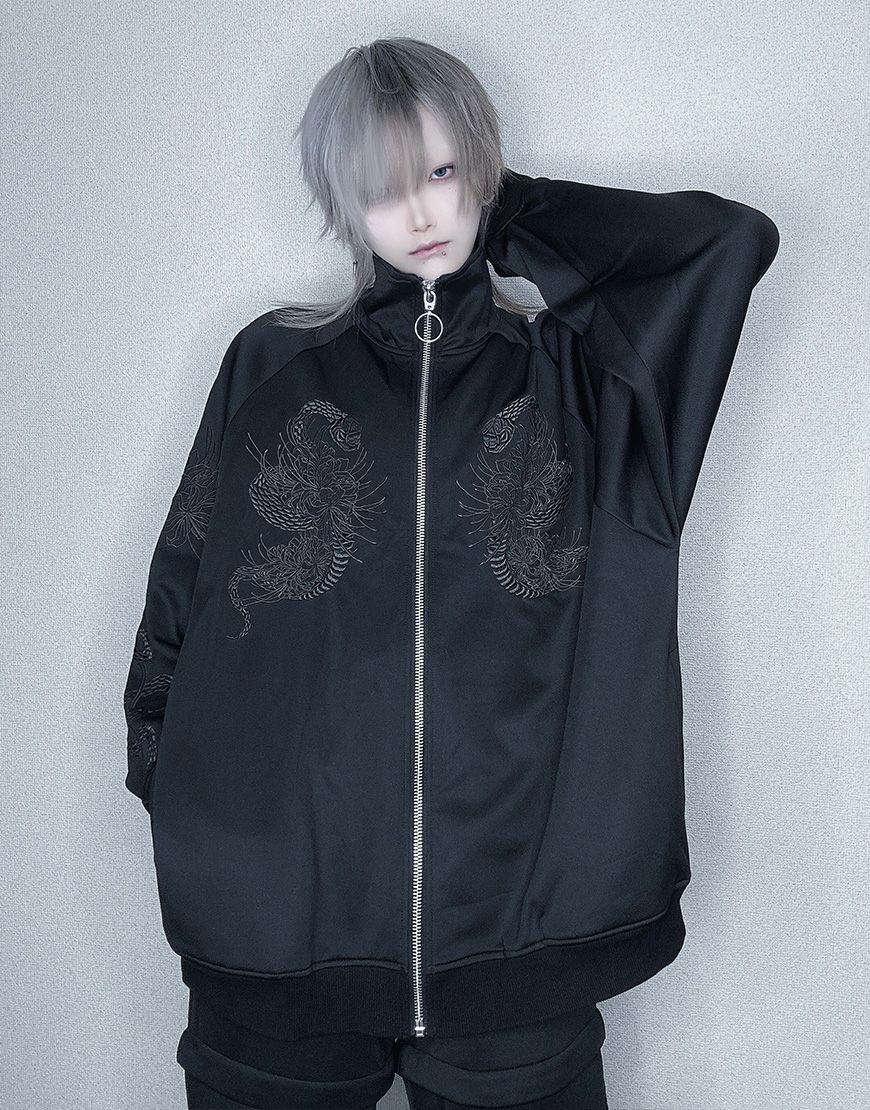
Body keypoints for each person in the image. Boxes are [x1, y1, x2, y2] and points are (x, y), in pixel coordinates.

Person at [123, 37, 779, 1110]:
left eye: (440, 171)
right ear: (341, 201)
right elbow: (182, 595)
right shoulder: (273, 364)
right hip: (279, 937)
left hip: (520, 947)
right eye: (382, 185)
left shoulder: (592, 383)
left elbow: (726, 243)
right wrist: (182, 796)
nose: (421, 211)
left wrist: (504, 207)